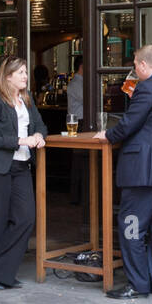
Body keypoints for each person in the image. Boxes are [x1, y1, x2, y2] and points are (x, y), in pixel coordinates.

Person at [95, 45, 152, 299]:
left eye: (135, 64)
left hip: (142, 170)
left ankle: (137, 284)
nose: (134, 68)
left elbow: (129, 124)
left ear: (143, 65)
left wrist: (108, 134)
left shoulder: (146, 88)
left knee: (131, 225)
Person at [0, 55, 46, 290]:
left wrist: (39, 136)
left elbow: (40, 125)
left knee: (25, 218)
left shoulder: (27, 100)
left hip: (21, 167)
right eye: (21, 72)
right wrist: (21, 140)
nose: (25, 76)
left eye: (25, 71)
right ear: (8, 76)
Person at [67, 55, 86, 204]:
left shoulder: (82, 82)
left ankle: (81, 195)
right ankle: (76, 196)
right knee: (79, 159)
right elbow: (88, 98)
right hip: (78, 122)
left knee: (82, 159)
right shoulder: (76, 83)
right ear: (82, 66)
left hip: (81, 121)